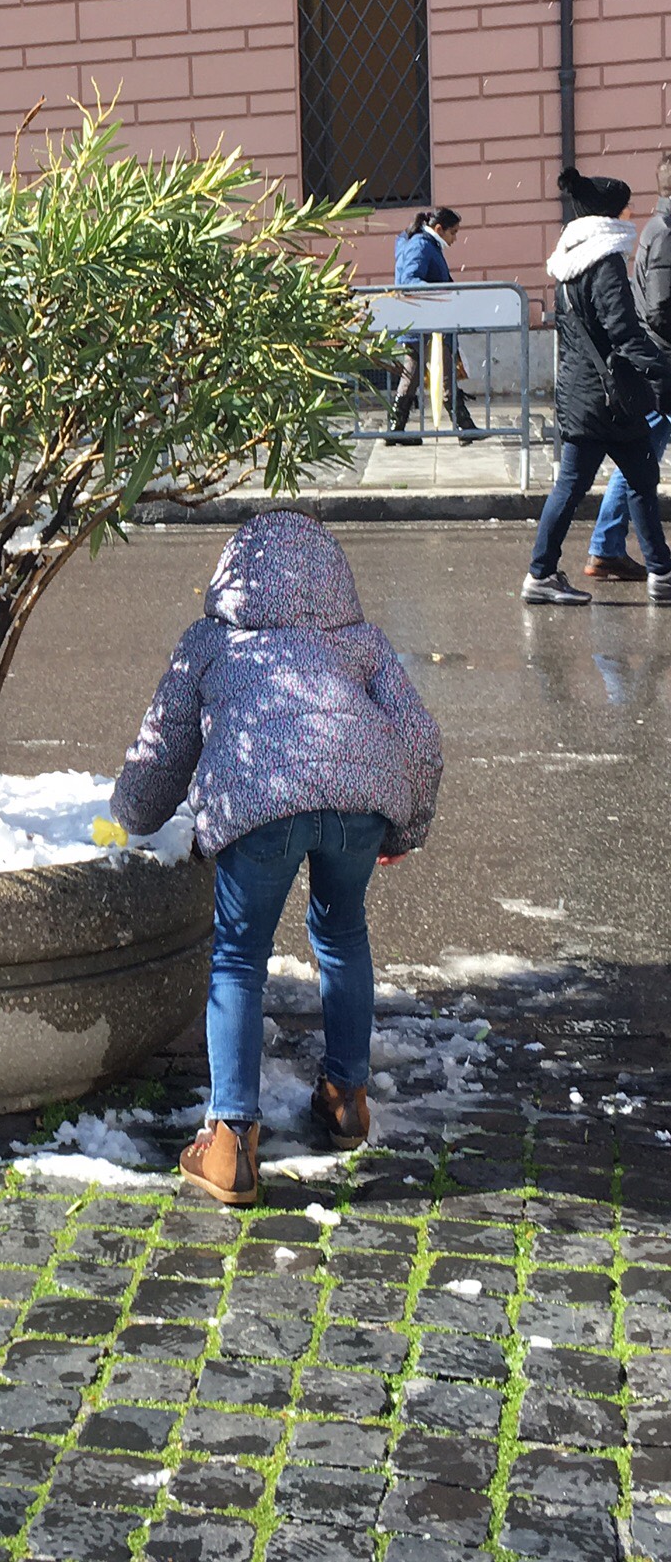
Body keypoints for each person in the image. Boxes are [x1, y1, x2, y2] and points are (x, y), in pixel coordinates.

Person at [110, 511, 443, 1207]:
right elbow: (420, 738)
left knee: (238, 956)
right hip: (359, 802)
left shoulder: (211, 641)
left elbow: (162, 749)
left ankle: (230, 1142)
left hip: (258, 806)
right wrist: (402, 829)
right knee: (342, 934)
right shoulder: (360, 640)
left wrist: (133, 817)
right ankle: (347, 1101)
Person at [524, 167, 671, 606]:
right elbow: (623, 331)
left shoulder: (570, 261)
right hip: (609, 399)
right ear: (609, 215)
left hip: (586, 395)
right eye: (625, 206)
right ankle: (541, 575)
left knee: (631, 478)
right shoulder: (604, 263)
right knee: (606, 484)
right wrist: (661, 368)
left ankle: (660, 573)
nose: (631, 212)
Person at [583, 148, 671, 583]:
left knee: (640, 460)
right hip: (661, 365)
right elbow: (659, 309)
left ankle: (608, 548)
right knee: (640, 461)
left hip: (656, 362)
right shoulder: (665, 233)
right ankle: (608, 548)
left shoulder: (659, 229)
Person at [387, 206, 481, 441]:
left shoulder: (419, 243)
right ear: (439, 229)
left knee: (412, 374)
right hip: (427, 321)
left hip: (417, 322)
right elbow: (410, 280)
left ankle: (395, 428)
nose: (455, 239)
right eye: (453, 232)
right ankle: (464, 427)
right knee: (445, 372)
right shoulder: (422, 245)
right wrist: (443, 293)